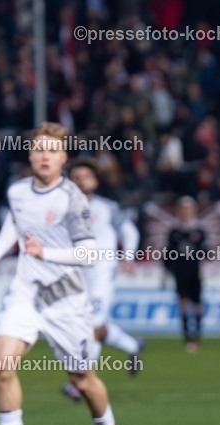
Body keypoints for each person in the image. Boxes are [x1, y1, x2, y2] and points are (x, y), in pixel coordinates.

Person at [0, 122, 123, 425]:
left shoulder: (72, 199)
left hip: (66, 299)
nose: (45, 156)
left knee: (82, 380)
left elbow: (88, 253)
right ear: (30, 155)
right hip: (26, 292)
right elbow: (16, 222)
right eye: (39, 149)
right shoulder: (17, 191)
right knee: (1, 365)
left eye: (52, 150)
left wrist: (47, 253)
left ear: (63, 158)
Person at [61, 158, 144, 401]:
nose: (80, 181)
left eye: (85, 177)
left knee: (92, 326)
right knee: (90, 325)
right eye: (75, 178)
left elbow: (129, 231)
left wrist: (128, 257)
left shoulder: (107, 207)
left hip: (102, 272)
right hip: (77, 274)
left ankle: (82, 383)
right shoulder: (64, 210)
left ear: (95, 181)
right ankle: (132, 346)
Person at [165, 196, 207, 352]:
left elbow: (206, 252)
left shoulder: (199, 230)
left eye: (188, 209)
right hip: (180, 272)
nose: (186, 212)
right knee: (182, 302)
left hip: (195, 272)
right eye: (183, 209)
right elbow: (168, 254)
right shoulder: (174, 231)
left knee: (197, 304)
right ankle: (187, 337)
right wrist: (166, 271)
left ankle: (197, 336)